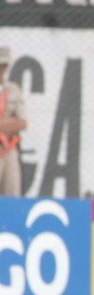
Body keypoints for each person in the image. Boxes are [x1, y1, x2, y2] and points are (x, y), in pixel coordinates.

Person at [0, 47, 28, 196]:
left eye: (3, 66)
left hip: (9, 148)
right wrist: (9, 123)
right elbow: (15, 122)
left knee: (12, 193)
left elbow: (22, 123)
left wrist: (7, 124)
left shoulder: (13, 89)